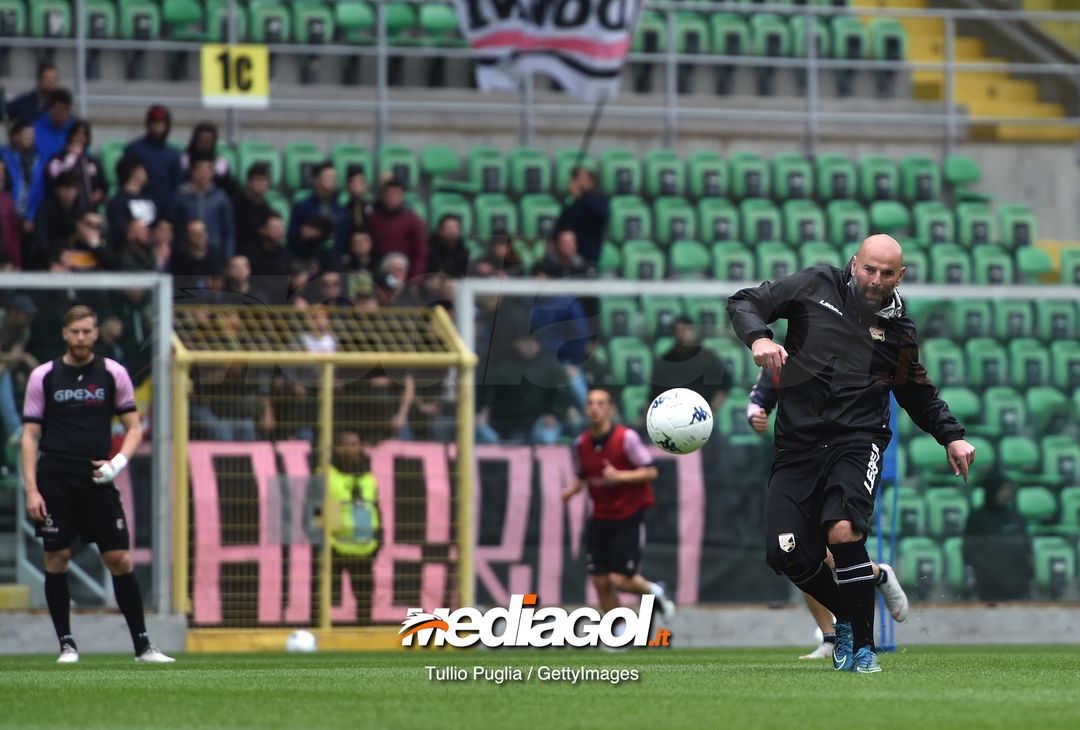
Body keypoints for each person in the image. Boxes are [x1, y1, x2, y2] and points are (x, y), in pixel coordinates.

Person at [727, 234, 975, 674]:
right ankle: (847, 617)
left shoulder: (897, 331)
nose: (875, 279)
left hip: (857, 441)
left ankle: (864, 648)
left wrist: (951, 436)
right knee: (787, 552)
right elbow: (745, 302)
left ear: (901, 275)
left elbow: (916, 392)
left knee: (843, 531)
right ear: (853, 263)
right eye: (869, 269)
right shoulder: (814, 286)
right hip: (797, 447)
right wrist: (758, 339)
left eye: (886, 273)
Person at [21, 305, 174, 663]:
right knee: (57, 557)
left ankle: (143, 646)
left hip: (97, 479)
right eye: (75, 331)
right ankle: (67, 645)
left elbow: (134, 428)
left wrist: (116, 464)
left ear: (96, 333)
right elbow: (30, 436)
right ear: (64, 333)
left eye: (87, 331)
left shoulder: (113, 374)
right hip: (55, 477)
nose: (81, 338)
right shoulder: (43, 376)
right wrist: (32, 488)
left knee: (119, 558)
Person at [747, 366, 909, 660]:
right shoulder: (782, 360)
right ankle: (834, 630)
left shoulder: (839, 351)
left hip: (837, 459)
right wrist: (755, 412)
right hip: (795, 463)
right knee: (798, 551)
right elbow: (761, 395)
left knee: (835, 545)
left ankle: (860, 603)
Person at [561, 387, 675, 627]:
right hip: (600, 517)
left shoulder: (626, 438)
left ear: (610, 409)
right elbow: (582, 473)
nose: (595, 408)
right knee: (600, 582)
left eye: (601, 403)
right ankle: (621, 630)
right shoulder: (581, 443)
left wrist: (620, 477)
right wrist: (573, 489)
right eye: (591, 403)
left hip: (628, 515)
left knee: (620, 580)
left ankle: (656, 590)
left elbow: (651, 471)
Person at [324, 429, 381, 624]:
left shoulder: (368, 477)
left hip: (365, 549)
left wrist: (378, 540)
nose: (353, 449)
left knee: (365, 601)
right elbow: (318, 513)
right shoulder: (326, 476)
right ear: (337, 449)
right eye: (348, 445)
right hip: (334, 549)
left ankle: (365, 638)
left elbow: (375, 510)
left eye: (356, 444)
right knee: (324, 599)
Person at [963, 469, 1034, 601]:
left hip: (1018, 585)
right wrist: (991, 574)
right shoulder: (977, 518)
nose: (1007, 493)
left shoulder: (1015, 517)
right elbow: (970, 551)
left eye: (1009, 489)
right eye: (1003, 489)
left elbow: (1026, 548)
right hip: (989, 586)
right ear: (992, 490)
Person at [650, 316, 732, 416]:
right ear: (673, 334)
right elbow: (654, 395)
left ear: (694, 332)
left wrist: (713, 409)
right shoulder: (665, 362)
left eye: (688, 330)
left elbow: (724, 385)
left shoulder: (708, 358)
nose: (684, 334)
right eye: (680, 330)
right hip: (672, 417)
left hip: (702, 415)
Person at [172, 153, 236, 261]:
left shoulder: (221, 197)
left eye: (207, 171)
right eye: (199, 170)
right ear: (192, 171)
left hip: (214, 252)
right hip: (186, 252)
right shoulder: (181, 195)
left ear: (212, 173)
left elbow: (228, 230)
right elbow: (173, 224)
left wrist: (227, 256)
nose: (203, 174)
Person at [124, 105, 183, 215]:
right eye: (154, 123)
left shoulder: (173, 154)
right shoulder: (134, 150)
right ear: (148, 124)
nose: (158, 127)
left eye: (161, 123)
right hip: (140, 206)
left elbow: (177, 184)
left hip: (165, 208)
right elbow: (126, 182)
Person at [366, 178, 427, 274]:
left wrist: (414, 278)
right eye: (389, 194)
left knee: (396, 263)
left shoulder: (411, 219)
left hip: (402, 267)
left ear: (402, 196)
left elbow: (421, 251)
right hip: (377, 264)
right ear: (383, 196)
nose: (392, 197)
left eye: (396, 194)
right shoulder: (373, 216)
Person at [0, 295, 39, 447]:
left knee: (4, 372)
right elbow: (14, 356)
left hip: (4, 369)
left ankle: (15, 430)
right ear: (15, 312)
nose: (30, 317)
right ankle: (14, 428)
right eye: (26, 313)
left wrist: (15, 358)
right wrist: (23, 356)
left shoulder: (24, 330)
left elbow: (14, 357)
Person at [554, 165, 609, 266]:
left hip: (588, 257)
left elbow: (600, 213)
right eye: (576, 178)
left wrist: (579, 197)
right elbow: (561, 227)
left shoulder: (599, 200)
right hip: (566, 257)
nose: (577, 181)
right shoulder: (571, 203)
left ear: (591, 181)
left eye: (581, 178)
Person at [44, 120, 105, 211]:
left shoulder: (92, 161)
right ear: (71, 135)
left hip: (88, 208)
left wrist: (99, 193)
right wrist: (71, 157)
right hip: (64, 210)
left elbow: (103, 184)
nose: (80, 137)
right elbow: (54, 178)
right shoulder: (58, 158)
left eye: (84, 134)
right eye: (77, 133)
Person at [1, 119, 46, 242]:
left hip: (30, 217)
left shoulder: (38, 160)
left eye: (32, 136)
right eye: (26, 135)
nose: (30, 139)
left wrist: (30, 216)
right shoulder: (4, 158)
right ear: (15, 137)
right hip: (7, 216)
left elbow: (38, 190)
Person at [288, 162, 341, 253]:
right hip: (308, 258)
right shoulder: (302, 207)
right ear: (317, 179)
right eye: (328, 177)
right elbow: (291, 238)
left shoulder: (341, 210)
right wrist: (303, 234)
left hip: (337, 260)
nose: (332, 180)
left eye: (334, 177)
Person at [106, 155, 156, 248]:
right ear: (135, 172)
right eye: (143, 170)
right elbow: (118, 231)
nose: (146, 173)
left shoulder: (149, 199)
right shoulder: (118, 202)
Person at [231, 162, 274, 256]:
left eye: (265, 180)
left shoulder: (267, 210)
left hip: (259, 256)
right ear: (249, 182)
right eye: (259, 180)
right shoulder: (236, 203)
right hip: (238, 253)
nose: (262, 184)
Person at [32, 88, 75, 164]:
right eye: (58, 109)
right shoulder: (37, 129)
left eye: (65, 109)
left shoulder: (75, 128)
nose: (62, 113)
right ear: (50, 109)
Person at [336, 165, 371, 251]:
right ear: (347, 186)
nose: (356, 185)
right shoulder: (342, 207)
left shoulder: (373, 206)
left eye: (360, 182)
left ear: (366, 185)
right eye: (353, 182)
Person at [0, 161, 20, 268]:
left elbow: (13, 234)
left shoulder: (8, 199)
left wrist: (17, 263)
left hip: (6, 259)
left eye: (2, 170)